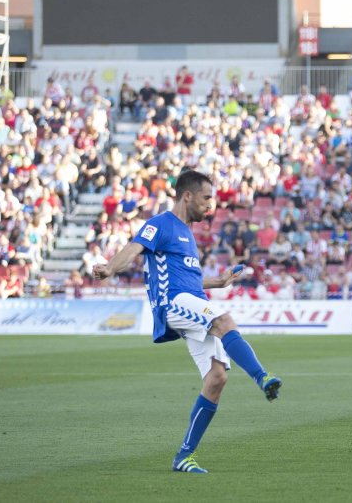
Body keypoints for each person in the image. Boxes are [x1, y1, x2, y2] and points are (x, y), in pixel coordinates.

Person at [92, 169, 282, 475]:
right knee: (224, 320)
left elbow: (190, 280)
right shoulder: (162, 224)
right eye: (207, 198)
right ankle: (262, 377)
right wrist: (111, 268)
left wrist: (218, 282)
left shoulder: (187, 234)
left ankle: (184, 455)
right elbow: (134, 248)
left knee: (217, 377)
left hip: (191, 300)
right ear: (187, 195)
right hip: (173, 303)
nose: (211, 206)